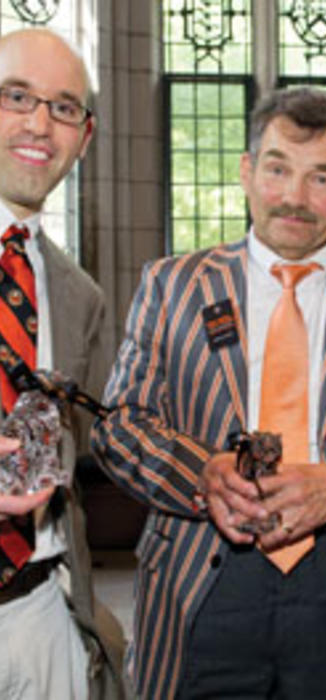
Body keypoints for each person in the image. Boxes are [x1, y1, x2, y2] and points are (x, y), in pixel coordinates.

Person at [90, 86, 326, 700]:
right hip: (201, 573)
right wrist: (201, 475)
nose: (294, 197)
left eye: (321, 178)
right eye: (278, 168)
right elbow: (120, 423)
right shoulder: (172, 284)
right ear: (246, 171)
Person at [0, 27, 125, 700]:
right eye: (16, 95)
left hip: (43, 610)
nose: (39, 123)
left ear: (86, 136)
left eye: (64, 107)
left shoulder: (80, 297)